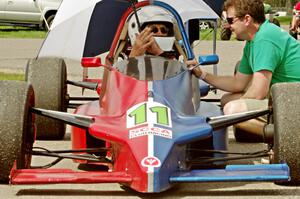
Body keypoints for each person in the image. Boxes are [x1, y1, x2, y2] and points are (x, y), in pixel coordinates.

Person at [190, 0, 300, 141]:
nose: (228, 26)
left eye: (230, 20)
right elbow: (238, 83)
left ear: (247, 19)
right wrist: (202, 74)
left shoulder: (265, 39)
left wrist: (233, 109)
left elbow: (258, 92)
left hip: (294, 101)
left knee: (232, 110)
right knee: (226, 100)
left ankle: (290, 139)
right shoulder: (253, 40)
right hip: (286, 97)